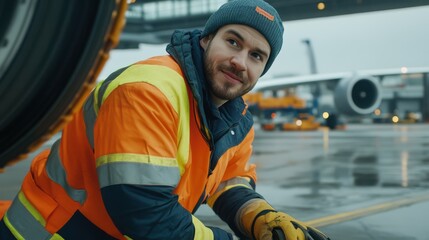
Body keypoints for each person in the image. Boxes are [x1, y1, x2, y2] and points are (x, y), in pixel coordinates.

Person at [0, 0, 330, 239]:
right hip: (51, 229)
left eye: (256, 56)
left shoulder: (235, 116)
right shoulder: (147, 90)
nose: (239, 61)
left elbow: (229, 180)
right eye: (233, 41)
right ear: (206, 39)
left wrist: (258, 217)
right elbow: (144, 210)